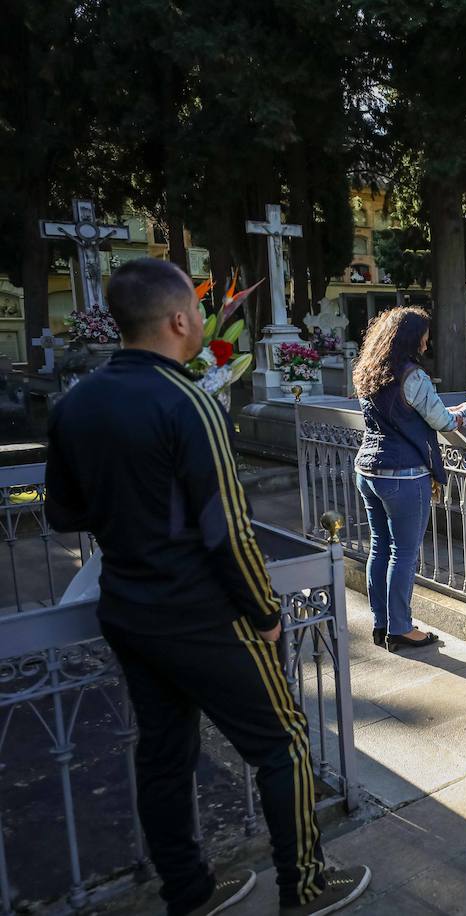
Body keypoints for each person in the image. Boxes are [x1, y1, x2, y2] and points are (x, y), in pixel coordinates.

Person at [45, 259, 369, 915]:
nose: (200, 320)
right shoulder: (187, 399)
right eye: (195, 311)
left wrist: (128, 513)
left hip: (129, 612)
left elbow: (63, 514)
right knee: (283, 744)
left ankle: (188, 893)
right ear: (178, 320)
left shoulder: (76, 402)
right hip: (202, 614)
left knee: (163, 756)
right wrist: (265, 611)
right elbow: (228, 530)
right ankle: (303, 886)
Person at [352, 306, 466, 651]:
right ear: (411, 337)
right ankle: (400, 628)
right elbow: (441, 420)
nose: (427, 345)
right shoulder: (412, 376)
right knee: (404, 552)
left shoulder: (368, 371)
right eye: (424, 337)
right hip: (403, 475)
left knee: (380, 546)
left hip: (368, 470)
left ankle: (381, 624)